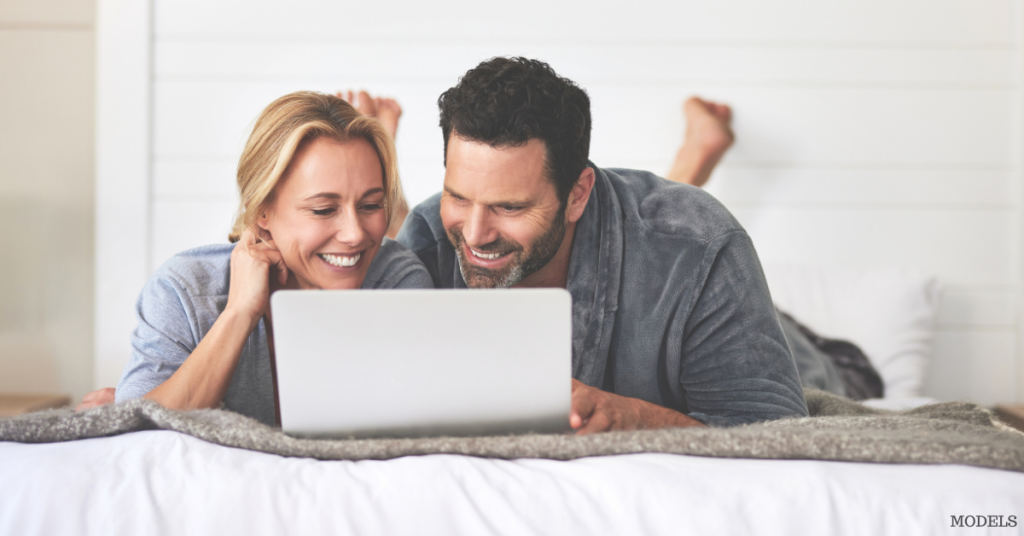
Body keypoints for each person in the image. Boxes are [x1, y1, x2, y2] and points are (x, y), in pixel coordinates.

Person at [395, 57, 809, 432]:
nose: (473, 233)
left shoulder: (700, 246)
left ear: (578, 194)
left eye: (509, 207)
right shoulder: (429, 236)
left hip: (806, 351)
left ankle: (696, 153)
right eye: (459, 197)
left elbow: (772, 428)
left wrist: (633, 416)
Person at [101, 91, 433, 425]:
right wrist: (239, 313)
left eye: (371, 205)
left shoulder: (395, 280)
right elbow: (135, 434)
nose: (356, 234)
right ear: (262, 212)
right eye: (323, 209)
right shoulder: (185, 292)